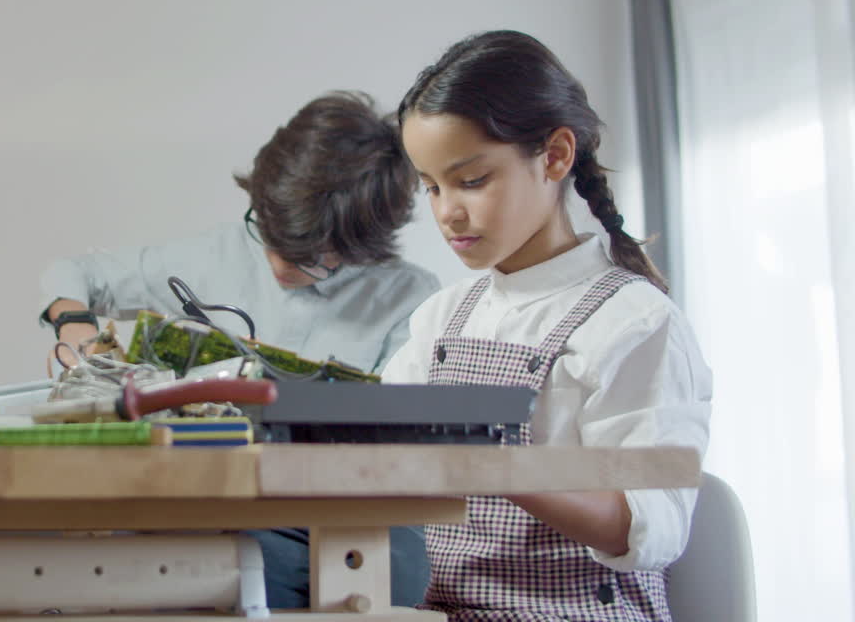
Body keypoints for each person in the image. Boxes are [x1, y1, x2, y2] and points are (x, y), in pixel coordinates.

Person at [37, 91, 441, 608]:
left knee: (383, 574)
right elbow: (75, 273)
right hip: (230, 504)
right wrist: (74, 325)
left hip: (349, 508)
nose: (278, 265)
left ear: (363, 248)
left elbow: (400, 447)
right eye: (269, 236)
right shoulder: (221, 253)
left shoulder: (410, 297)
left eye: (310, 258)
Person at [383, 30, 712, 621]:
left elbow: (655, 523)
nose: (447, 211)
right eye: (431, 187)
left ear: (555, 156)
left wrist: (505, 467)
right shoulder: (442, 318)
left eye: (471, 180)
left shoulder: (635, 322)